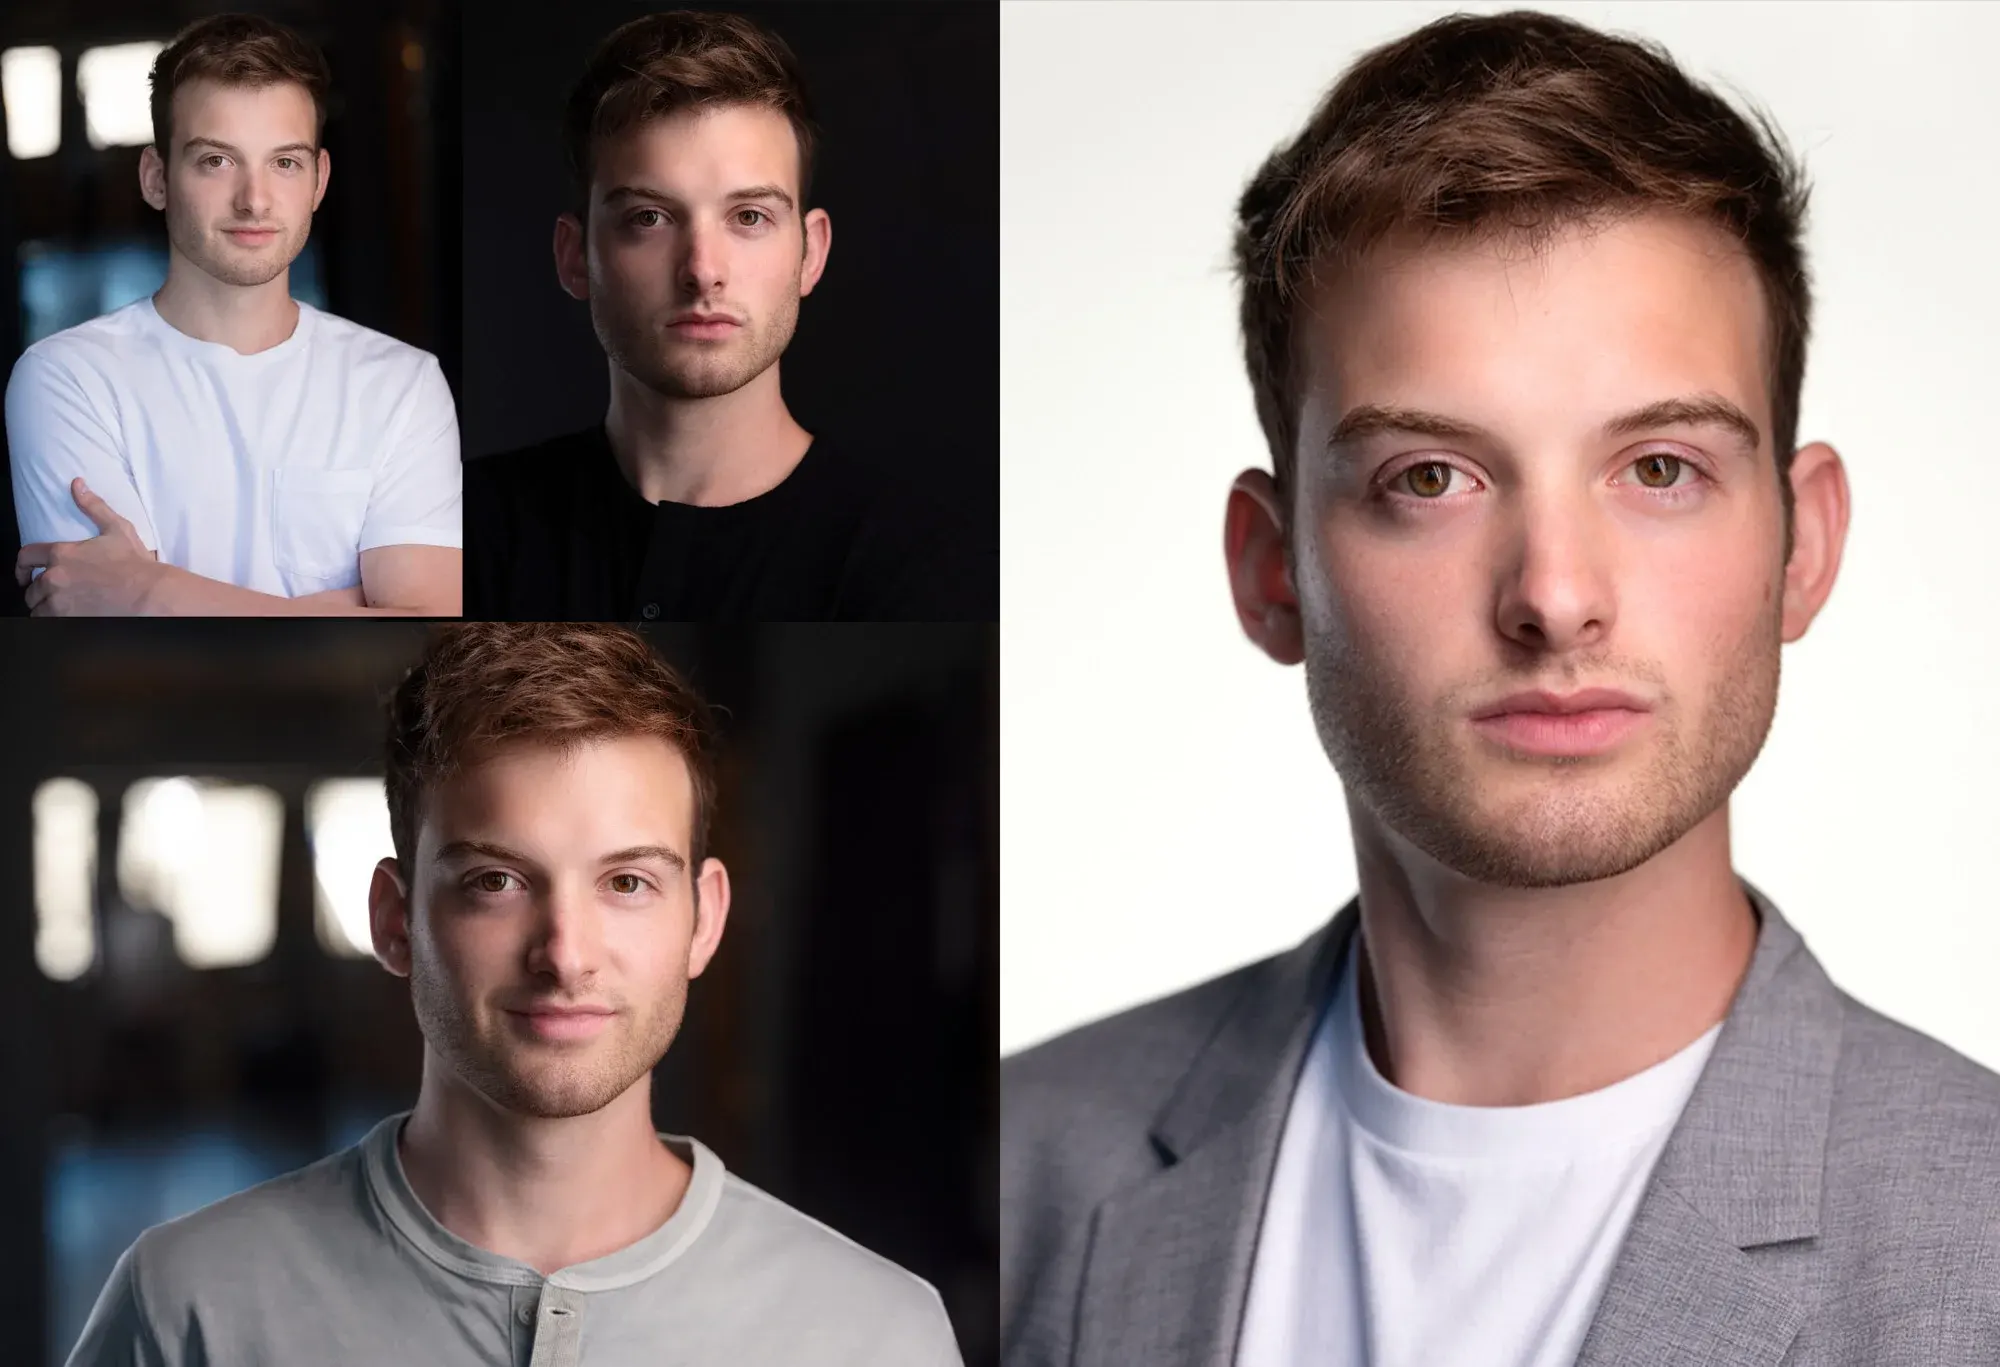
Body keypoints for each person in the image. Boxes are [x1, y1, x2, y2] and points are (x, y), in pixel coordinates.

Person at [1000, 12, 2000, 1366]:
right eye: (1430, 477)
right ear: (1270, 569)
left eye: (1659, 468)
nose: (1555, 594)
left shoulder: (1972, 1241)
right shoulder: (1020, 1175)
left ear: (1801, 544)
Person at [66, 623, 962, 1365]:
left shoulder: (880, 1334)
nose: (565, 954)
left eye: (628, 882)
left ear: (704, 918)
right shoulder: (186, 1304)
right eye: (496, 880)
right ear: (394, 919)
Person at [463, 10, 990, 622]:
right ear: (574, 258)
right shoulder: (462, 523)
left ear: (810, 253)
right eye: (649, 218)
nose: (703, 270)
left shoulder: (928, 567)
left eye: (749, 217)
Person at [5, 13, 460, 617]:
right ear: (156, 177)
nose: (255, 199)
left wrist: (151, 590)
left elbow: (423, 639)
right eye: (216, 160)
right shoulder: (65, 378)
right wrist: (358, 608)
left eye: (285, 162)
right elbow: (109, 641)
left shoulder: (404, 382)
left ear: (319, 182)